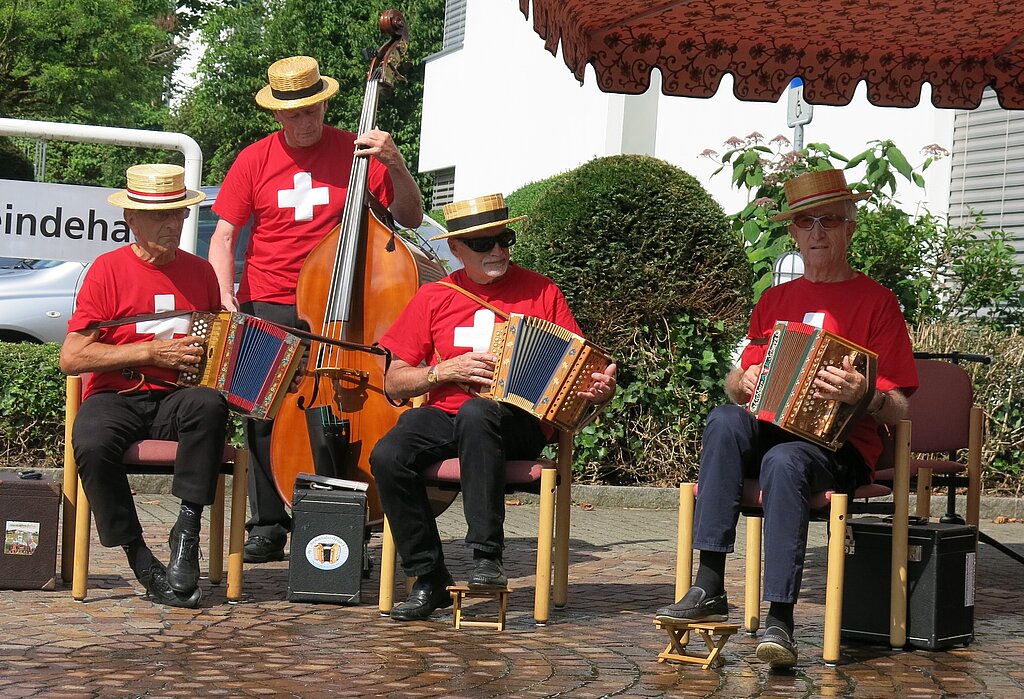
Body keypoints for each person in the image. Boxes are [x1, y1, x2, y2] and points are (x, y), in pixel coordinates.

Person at [655, 169, 919, 668]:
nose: (817, 232)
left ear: (850, 227)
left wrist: (866, 396)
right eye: (805, 222)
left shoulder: (878, 302)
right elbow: (739, 374)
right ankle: (710, 583)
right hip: (774, 426)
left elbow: (901, 405)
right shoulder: (776, 299)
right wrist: (742, 383)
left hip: (837, 447)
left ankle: (781, 617)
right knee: (725, 420)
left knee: (784, 461)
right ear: (793, 232)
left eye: (830, 220)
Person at [208, 55, 424, 564]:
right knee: (258, 411)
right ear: (277, 115)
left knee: (340, 411)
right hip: (270, 299)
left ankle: (343, 520)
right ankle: (267, 522)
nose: (305, 121)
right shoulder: (254, 159)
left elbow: (409, 217)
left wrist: (394, 162)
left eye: (313, 110)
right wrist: (224, 296)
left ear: (325, 102)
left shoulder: (359, 152)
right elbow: (223, 236)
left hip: (346, 305)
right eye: (294, 114)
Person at [369, 194, 618, 622]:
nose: (498, 251)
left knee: (478, 413)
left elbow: (582, 374)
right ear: (456, 249)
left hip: (517, 422)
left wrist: (601, 390)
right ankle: (429, 579)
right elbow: (394, 380)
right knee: (388, 455)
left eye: (505, 239)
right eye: (484, 244)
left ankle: (487, 555)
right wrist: (442, 371)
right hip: (446, 413)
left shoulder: (542, 291)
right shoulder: (435, 296)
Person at [60, 164, 228, 608]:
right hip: (117, 395)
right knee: (92, 442)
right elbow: (72, 357)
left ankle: (186, 531)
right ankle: (141, 560)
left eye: (178, 214)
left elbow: (217, 346)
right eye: (160, 216)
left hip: (177, 397)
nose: (173, 224)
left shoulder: (202, 272)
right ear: (131, 219)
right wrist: (149, 353)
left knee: (210, 405)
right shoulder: (106, 271)